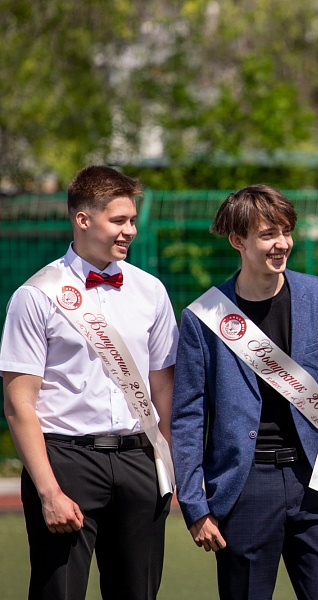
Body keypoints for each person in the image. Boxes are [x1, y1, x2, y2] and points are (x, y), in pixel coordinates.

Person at [171, 185, 318, 600]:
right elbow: (188, 417)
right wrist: (194, 504)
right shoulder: (202, 317)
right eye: (268, 234)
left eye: (286, 231)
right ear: (237, 241)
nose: (282, 243)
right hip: (245, 485)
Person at [0, 166, 178, 599]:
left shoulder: (151, 291)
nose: (130, 230)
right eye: (119, 220)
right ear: (83, 219)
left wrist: (170, 467)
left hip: (140, 460)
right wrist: (48, 492)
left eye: (132, 220)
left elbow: (164, 389)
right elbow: (19, 404)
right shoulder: (36, 295)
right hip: (66, 461)